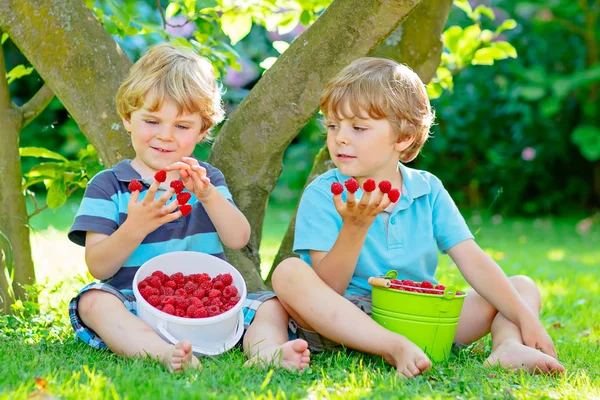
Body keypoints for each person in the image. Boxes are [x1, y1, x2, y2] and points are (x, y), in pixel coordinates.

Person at [271, 57, 564, 379]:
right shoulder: (325, 193)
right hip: (343, 321)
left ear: (404, 138)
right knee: (289, 272)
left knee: (521, 287)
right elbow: (328, 288)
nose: (340, 137)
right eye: (332, 125)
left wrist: (526, 320)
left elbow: (473, 261)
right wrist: (355, 227)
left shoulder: (428, 189)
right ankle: (393, 346)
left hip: (418, 316)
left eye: (358, 127)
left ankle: (507, 346)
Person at [68, 43, 309, 373]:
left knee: (271, 305)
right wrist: (135, 226)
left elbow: (238, 238)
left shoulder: (206, 180)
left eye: (182, 126)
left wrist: (210, 196)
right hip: (136, 306)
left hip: (211, 309)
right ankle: (159, 351)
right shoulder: (109, 186)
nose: (165, 136)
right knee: (93, 301)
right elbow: (99, 266)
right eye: (152, 121)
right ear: (127, 119)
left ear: (203, 130)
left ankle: (266, 351)